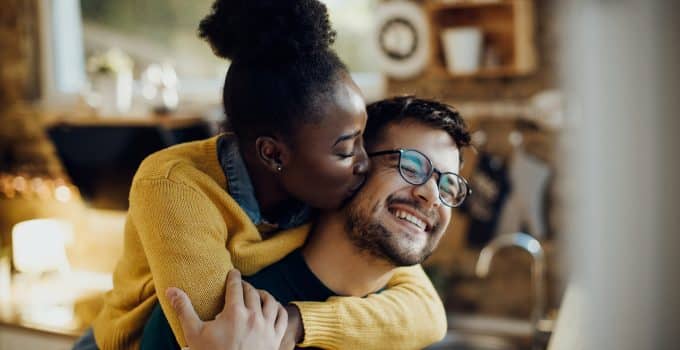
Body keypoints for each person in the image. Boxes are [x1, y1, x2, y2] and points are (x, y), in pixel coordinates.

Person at [72, 1, 447, 349]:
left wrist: (301, 322)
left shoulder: (323, 183)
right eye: (347, 148)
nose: (365, 163)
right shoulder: (176, 185)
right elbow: (225, 330)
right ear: (272, 153)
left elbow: (427, 311)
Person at [142, 96, 472, 350]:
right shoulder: (220, 311)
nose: (432, 195)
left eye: (449, 186)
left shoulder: (399, 325)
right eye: (411, 167)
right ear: (351, 168)